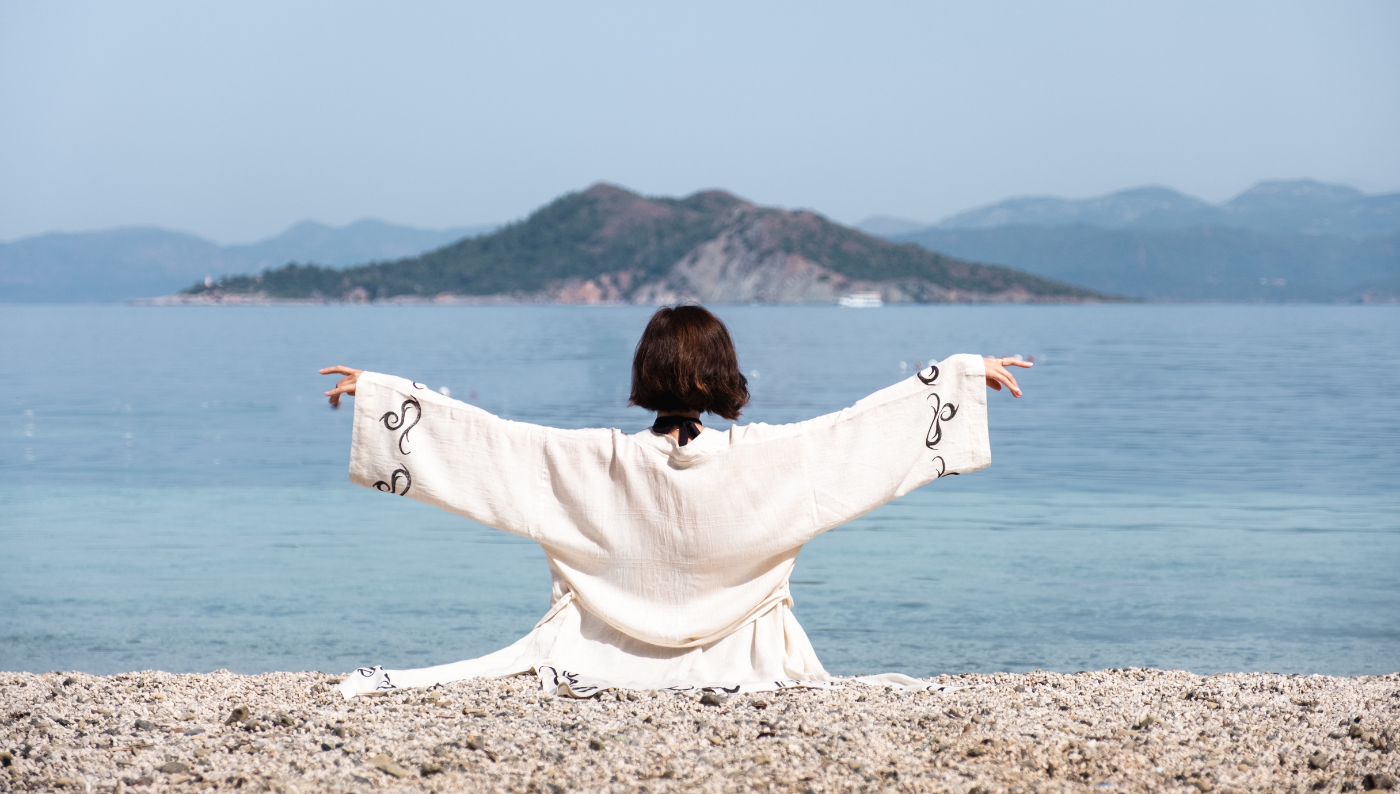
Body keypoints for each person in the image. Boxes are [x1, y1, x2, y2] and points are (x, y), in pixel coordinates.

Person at [320, 305, 1029, 699]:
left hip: (596, 650)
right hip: (747, 656)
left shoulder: (592, 461)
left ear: (645, 376)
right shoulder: (775, 461)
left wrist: (381, 396)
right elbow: (863, 436)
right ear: (726, 377)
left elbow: (488, 447)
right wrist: (963, 378)